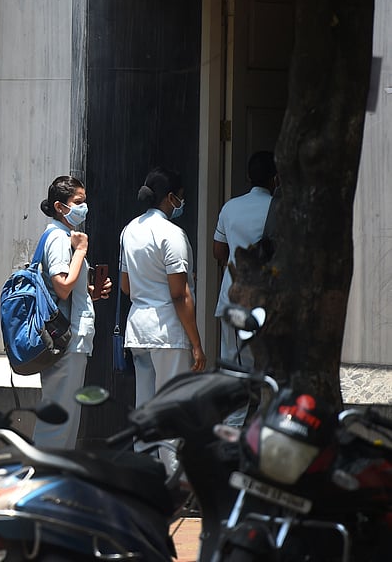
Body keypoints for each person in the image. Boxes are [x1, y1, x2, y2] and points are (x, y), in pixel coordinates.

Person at [120, 167, 205, 468]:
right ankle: (174, 480)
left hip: (139, 329)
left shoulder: (130, 230)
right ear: (171, 198)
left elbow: (126, 285)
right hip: (168, 331)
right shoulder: (172, 234)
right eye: (180, 198)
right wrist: (196, 343)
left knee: (146, 406)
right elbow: (179, 294)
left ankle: (145, 475)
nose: (182, 203)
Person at [35, 176, 111, 450]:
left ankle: (54, 483)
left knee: (65, 418)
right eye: (78, 202)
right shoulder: (59, 238)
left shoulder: (62, 236)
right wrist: (81, 250)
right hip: (66, 339)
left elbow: (66, 291)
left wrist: (90, 292)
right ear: (59, 206)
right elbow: (62, 286)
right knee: (58, 420)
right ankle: (42, 483)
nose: (84, 208)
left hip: (71, 337)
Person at [213, 152, 276, 427]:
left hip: (234, 295)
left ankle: (233, 426)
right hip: (271, 297)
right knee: (271, 364)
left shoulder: (230, 208)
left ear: (249, 177)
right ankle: (265, 426)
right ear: (276, 178)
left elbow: (218, 251)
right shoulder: (279, 208)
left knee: (234, 363)